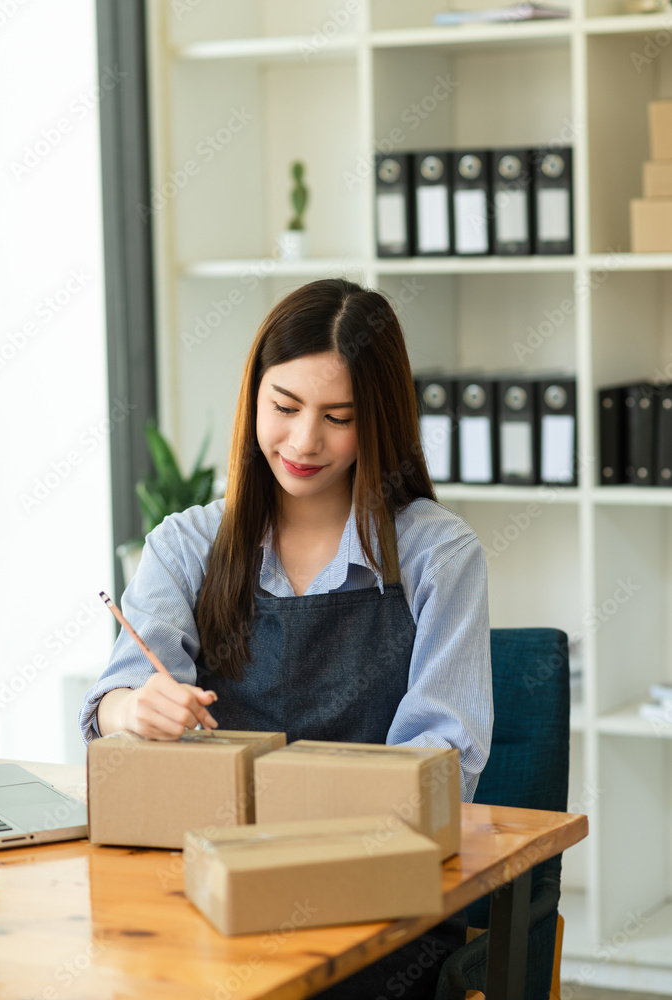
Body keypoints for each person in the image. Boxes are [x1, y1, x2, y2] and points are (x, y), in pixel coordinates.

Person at [79, 277, 492, 996]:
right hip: (212, 890)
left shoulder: (439, 555)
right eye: (285, 407)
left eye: (339, 416)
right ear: (253, 400)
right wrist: (134, 708)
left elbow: (440, 766)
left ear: (381, 422)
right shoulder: (186, 545)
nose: (304, 441)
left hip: (375, 902)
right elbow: (114, 702)